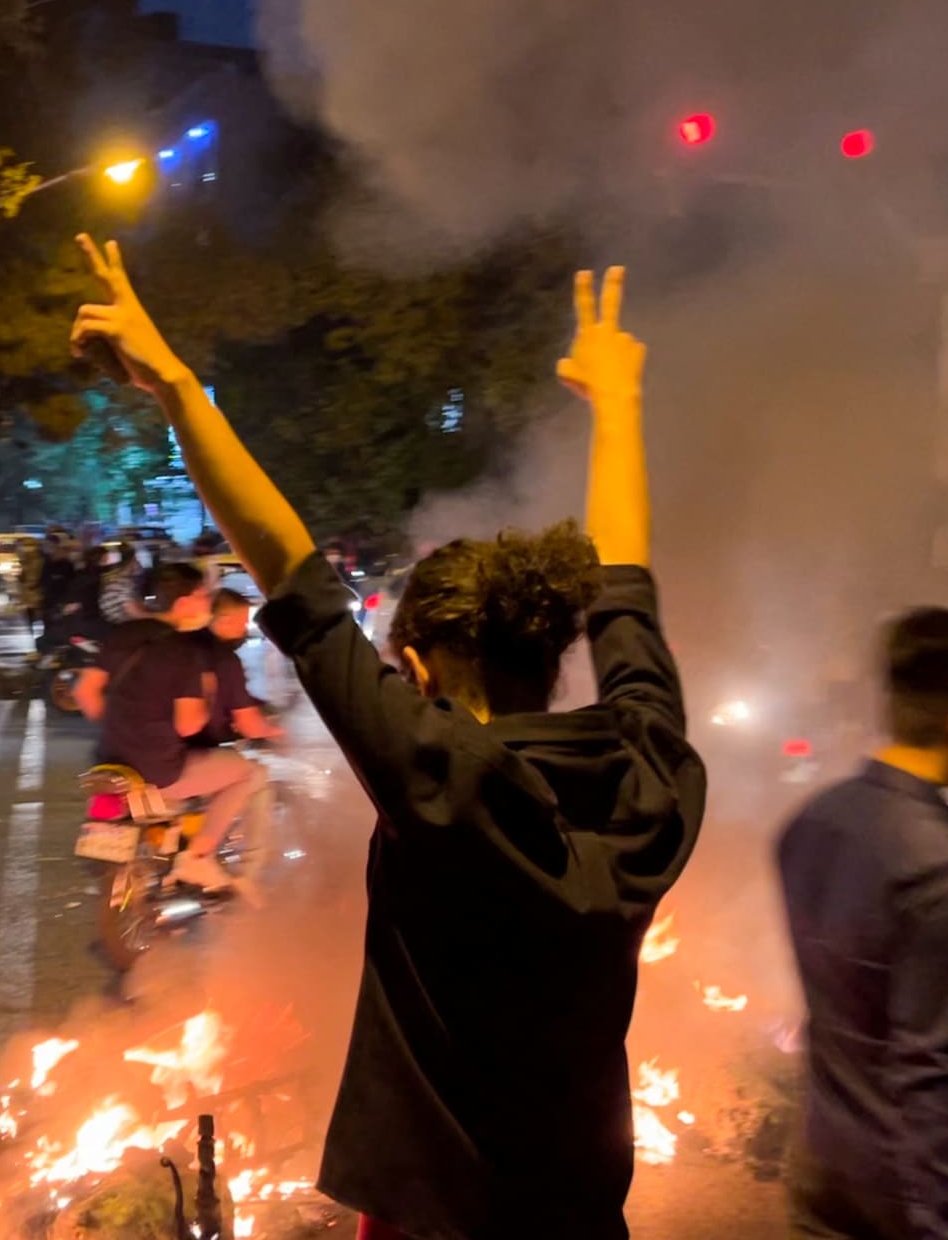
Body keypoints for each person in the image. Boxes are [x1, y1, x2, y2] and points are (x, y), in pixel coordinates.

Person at [70, 240, 704, 1239]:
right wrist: (619, 402)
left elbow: (288, 570)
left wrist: (179, 385)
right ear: (556, 646)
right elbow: (628, 584)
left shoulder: (439, 779)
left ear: (418, 671)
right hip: (583, 1213)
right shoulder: (651, 774)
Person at [777, 609, 948, 1240]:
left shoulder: (812, 824)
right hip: (898, 1200)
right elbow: (927, 1069)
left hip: (819, 1168)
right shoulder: (945, 872)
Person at [74, 562, 265, 892]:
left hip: (110, 759)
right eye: (203, 595)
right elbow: (189, 726)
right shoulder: (184, 650)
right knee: (247, 772)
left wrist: (122, 724)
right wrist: (206, 694)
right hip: (159, 769)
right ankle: (200, 857)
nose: (208, 602)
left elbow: (85, 693)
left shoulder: (123, 634)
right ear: (184, 603)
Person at [190, 588, 283, 747]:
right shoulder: (225, 659)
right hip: (202, 747)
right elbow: (250, 726)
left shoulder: (185, 644)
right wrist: (281, 734)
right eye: (243, 622)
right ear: (225, 620)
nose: (245, 630)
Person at [98, 541, 147, 627]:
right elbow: (137, 615)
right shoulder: (121, 583)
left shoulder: (114, 580)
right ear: (131, 560)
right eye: (136, 558)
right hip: (125, 629)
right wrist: (165, 616)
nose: (139, 561)